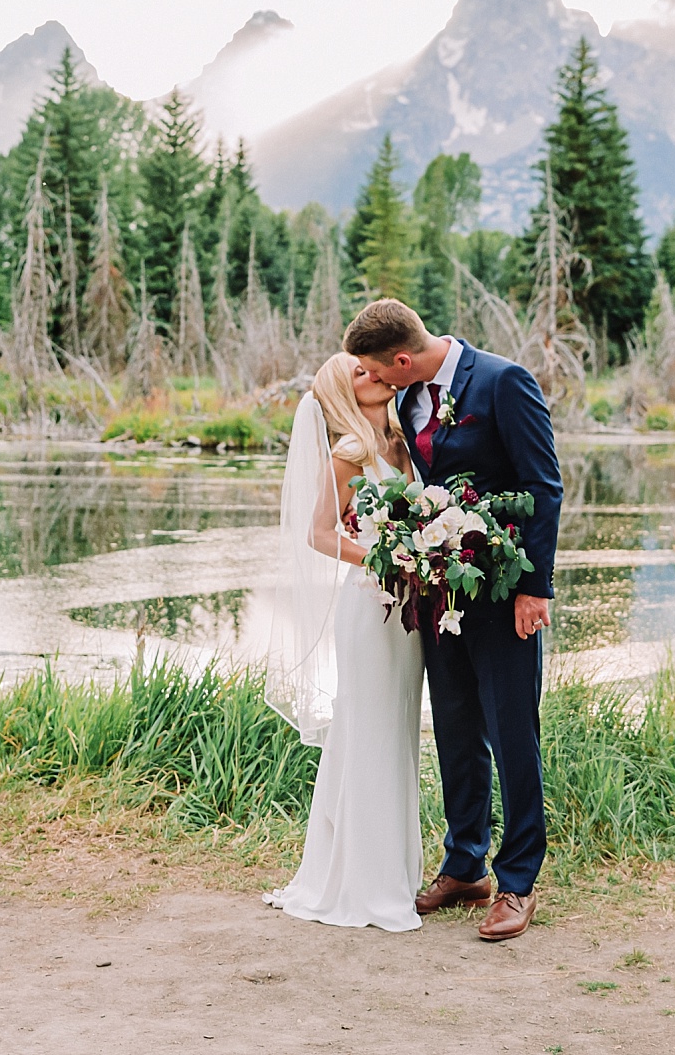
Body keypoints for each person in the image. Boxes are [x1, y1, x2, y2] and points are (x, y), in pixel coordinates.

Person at [344, 298, 562, 942]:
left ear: (403, 360)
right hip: (440, 597)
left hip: (504, 594)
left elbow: (542, 486)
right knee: (457, 731)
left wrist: (534, 589)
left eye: (377, 371)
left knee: (512, 732)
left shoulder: (503, 382)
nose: (376, 381)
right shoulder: (407, 402)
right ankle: (465, 864)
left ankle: (518, 881)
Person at [260, 352, 426, 931]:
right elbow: (319, 533)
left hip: (409, 611)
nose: (375, 374)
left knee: (397, 730)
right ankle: (363, 882)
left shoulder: (405, 442)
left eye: (374, 368)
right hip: (369, 606)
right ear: (344, 394)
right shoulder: (349, 453)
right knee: (368, 730)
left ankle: (394, 873)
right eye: (359, 374)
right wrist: (387, 556)